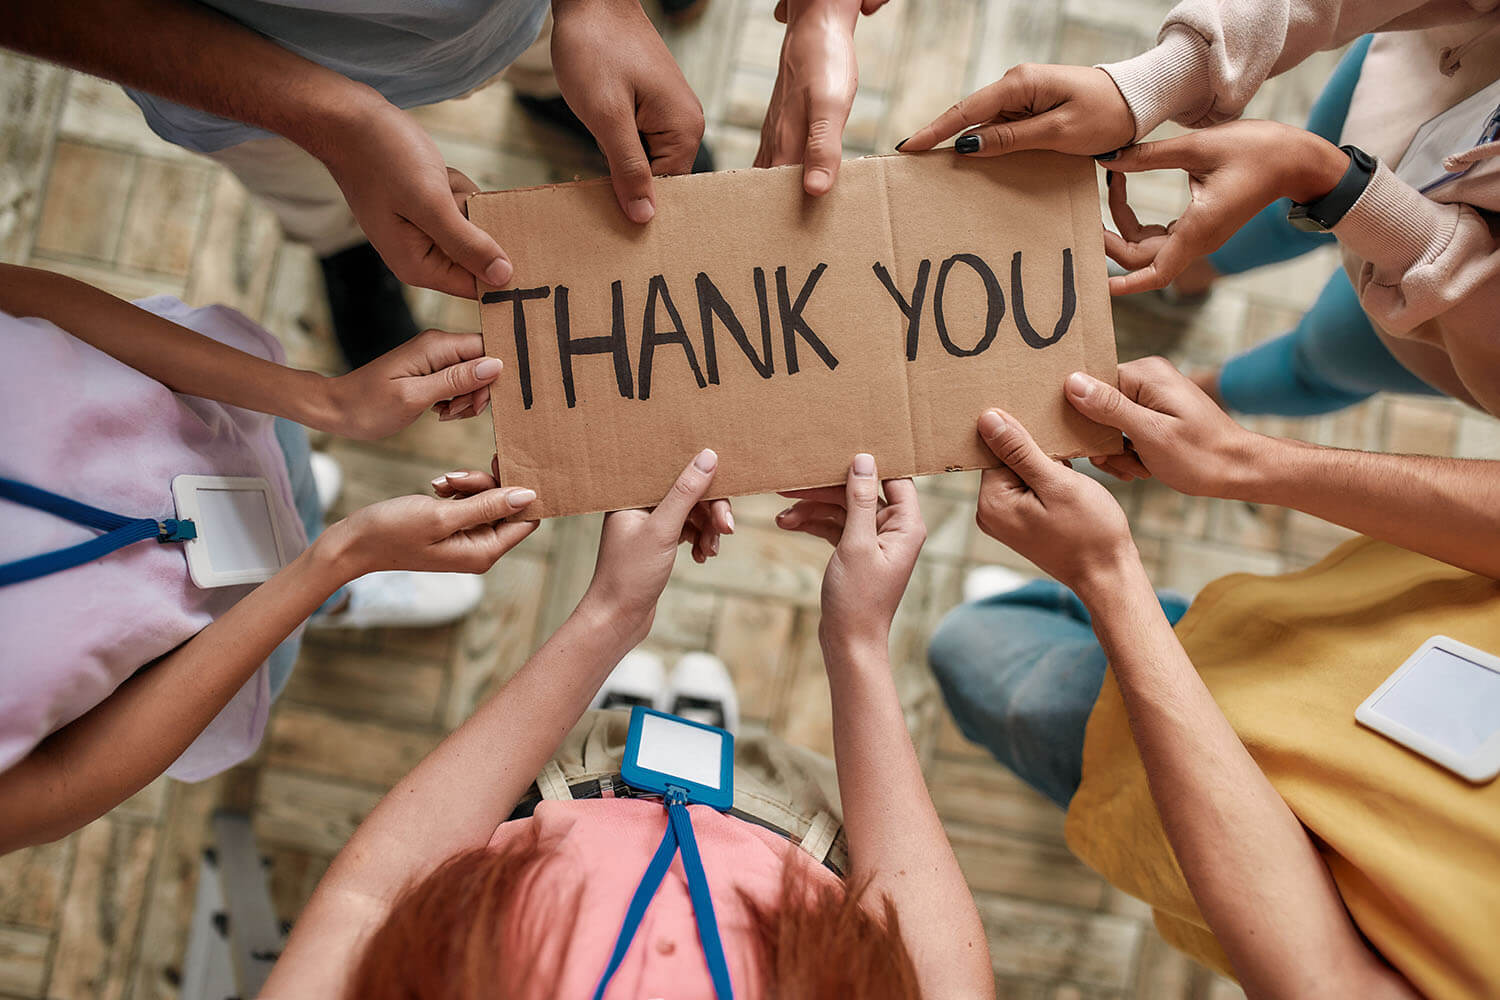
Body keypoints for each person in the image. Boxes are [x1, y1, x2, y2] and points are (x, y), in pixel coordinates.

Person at [260, 451, 995, 999]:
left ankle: (641, 718)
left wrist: (612, 615)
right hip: (805, 844)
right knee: (771, 766)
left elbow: (374, 898)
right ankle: (688, 727)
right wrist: (858, 643)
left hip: (552, 800)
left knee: (608, 730)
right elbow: (938, 977)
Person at [922, 360, 1500, 997]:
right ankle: (1131, 613)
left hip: (1197, 782)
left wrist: (1105, 575)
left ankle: (1087, 610)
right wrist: (1236, 458)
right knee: (1166, 620)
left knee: (970, 645)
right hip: (1292, 626)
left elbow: (1324, 981)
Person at [2, 0, 884, 368]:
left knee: (559, 64)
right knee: (308, 178)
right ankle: (344, 238)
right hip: (239, 63)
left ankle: (555, 97)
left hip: (520, 13)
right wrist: (335, 125)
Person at [0, 262, 541, 853]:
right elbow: (61, 785)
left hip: (216, 413)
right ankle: (331, 600)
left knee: (292, 475)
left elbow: (19, 298)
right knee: (297, 575)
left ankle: (309, 532)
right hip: (211, 643)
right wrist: (338, 559)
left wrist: (328, 401)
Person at [897, 0, 1500, 419]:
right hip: (1423, 76)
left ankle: (1199, 399)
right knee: (1267, 205)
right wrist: (1155, 80)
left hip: (1462, 311)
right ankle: (1188, 275)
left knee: (1319, 356)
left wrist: (1324, 178)